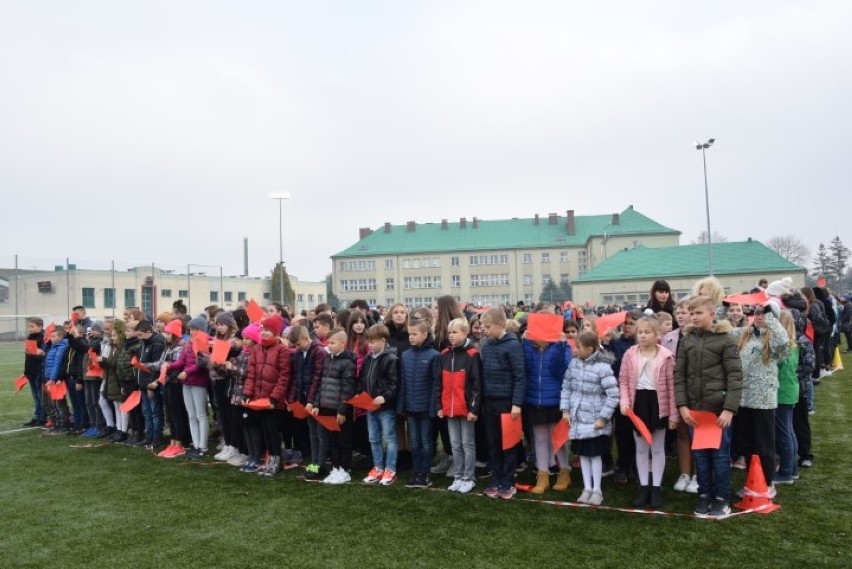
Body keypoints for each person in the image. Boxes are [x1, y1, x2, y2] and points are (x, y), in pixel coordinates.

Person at [675, 296, 742, 517]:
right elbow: (679, 375)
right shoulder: (687, 340)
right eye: (691, 313)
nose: (693, 317)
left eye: (698, 313)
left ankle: (722, 499)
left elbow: (735, 375)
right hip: (695, 413)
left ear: (712, 314)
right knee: (701, 458)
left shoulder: (725, 339)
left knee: (721, 457)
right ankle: (704, 496)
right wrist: (683, 406)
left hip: (718, 413)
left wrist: (729, 408)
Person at [730, 301, 789, 495]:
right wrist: (724, 307)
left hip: (764, 401)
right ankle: (752, 481)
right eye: (757, 312)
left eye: (763, 313)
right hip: (744, 399)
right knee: (747, 443)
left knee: (764, 444)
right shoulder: (746, 334)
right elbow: (723, 331)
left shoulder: (772, 338)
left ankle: (768, 483)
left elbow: (783, 341)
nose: (759, 315)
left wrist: (770, 315)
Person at [618, 317, 677, 508]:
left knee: (658, 447)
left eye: (647, 332)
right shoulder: (630, 354)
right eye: (640, 332)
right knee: (641, 447)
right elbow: (624, 381)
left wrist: (673, 414)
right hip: (638, 404)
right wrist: (625, 402)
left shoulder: (666, 356)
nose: (642, 335)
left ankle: (656, 487)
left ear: (657, 335)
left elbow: (671, 387)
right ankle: (643, 486)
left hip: (658, 404)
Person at [561, 331, 619, 505]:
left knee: (595, 456)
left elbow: (613, 395)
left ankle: (597, 490)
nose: (575, 350)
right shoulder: (573, 364)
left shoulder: (603, 368)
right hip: (578, 420)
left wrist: (603, 418)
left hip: (594, 422)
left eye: (578, 347)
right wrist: (565, 410)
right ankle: (587, 488)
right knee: (583, 455)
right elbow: (567, 387)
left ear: (590, 348)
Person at [479, 307, 526, 500]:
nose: (484, 330)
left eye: (488, 326)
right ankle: (496, 478)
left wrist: (516, 403)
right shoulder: (487, 345)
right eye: (483, 326)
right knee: (493, 443)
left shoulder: (513, 345)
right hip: (489, 402)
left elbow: (520, 376)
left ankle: (508, 480)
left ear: (500, 325)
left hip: (506, 403)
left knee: (508, 444)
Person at [522, 317, 572, 494]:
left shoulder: (562, 347)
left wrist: (561, 346)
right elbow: (526, 367)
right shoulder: (530, 348)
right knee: (540, 439)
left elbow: (560, 370)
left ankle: (564, 472)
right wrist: (526, 344)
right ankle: (542, 477)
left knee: (558, 439)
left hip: (555, 401)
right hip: (535, 400)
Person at [436, 318, 481, 494]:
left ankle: (469, 477)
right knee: (455, 444)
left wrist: (473, 409)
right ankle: (458, 476)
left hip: (466, 408)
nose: (451, 336)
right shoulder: (444, 354)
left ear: (465, 333)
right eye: (449, 332)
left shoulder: (472, 355)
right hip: (449, 408)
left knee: (467, 443)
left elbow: (477, 384)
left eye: (455, 332)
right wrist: (439, 405)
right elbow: (438, 383)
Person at [241, 314, 289, 475]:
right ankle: (270, 459)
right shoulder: (257, 349)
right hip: (258, 398)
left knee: (272, 430)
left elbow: (284, 376)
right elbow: (251, 373)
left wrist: (274, 398)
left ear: (275, 332)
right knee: (264, 430)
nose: (264, 333)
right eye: (263, 330)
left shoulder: (282, 350)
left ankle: (276, 460)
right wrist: (248, 393)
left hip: (273, 400)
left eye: (268, 330)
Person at [398, 319, 441, 488]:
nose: (411, 337)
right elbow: (403, 382)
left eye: (415, 334)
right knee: (414, 442)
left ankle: (426, 473)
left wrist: (433, 407)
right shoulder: (405, 355)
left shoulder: (434, 356)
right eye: (410, 334)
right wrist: (401, 405)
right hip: (410, 407)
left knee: (426, 442)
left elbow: (436, 384)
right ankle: (416, 471)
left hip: (426, 408)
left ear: (425, 334)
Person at [661, 299, 697, 494]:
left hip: (697, 390)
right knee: (682, 433)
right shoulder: (668, 337)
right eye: (679, 312)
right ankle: (684, 473)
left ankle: (698, 475)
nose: (682, 315)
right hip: (676, 389)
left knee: (698, 434)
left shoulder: (700, 335)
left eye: (686, 312)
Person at [311, 330, 357, 484]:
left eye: (332, 343)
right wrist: (317, 404)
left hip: (339, 410)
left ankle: (345, 469)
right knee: (332, 440)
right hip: (326, 407)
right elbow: (320, 384)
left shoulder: (348, 362)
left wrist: (342, 410)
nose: (328, 346)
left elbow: (348, 389)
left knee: (343, 440)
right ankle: (336, 468)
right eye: (328, 343)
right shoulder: (327, 360)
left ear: (342, 343)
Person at [602, 309, 641, 483]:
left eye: (631, 324)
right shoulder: (616, 343)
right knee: (622, 432)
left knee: (639, 432)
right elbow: (607, 360)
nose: (626, 327)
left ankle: (638, 466)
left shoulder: (643, 344)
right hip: (620, 394)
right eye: (625, 323)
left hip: (640, 394)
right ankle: (624, 466)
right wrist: (607, 343)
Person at [359, 324, 400, 486]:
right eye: (368, 340)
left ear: (382, 341)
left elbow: (394, 384)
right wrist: (359, 393)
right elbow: (363, 379)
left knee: (389, 438)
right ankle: (378, 467)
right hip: (370, 406)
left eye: (373, 341)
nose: (369, 344)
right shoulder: (369, 358)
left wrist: (384, 397)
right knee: (373, 438)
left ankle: (390, 469)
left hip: (385, 408)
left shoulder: (391, 359)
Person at [287, 325, 328, 481]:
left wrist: (311, 401)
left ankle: (320, 465)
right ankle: (314, 464)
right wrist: (292, 400)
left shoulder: (318, 352)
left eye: (298, 344)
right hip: (306, 400)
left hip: (317, 401)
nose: (297, 348)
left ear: (306, 339)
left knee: (321, 434)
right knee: (312, 433)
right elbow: (296, 378)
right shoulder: (299, 354)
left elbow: (318, 378)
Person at [169, 315, 212, 459]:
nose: (192, 332)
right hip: (186, 382)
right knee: (191, 415)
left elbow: (201, 364)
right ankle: (196, 443)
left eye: (195, 329)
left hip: (198, 381)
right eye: (191, 329)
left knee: (200, 415)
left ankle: (203, 446)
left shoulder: (205, 343)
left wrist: (186, 372)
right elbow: (182, 361)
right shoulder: (187, 343)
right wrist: (169, 365)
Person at [154, 319, 191, 458]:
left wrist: (164, 377)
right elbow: (161, 363)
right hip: (167, 383)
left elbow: (177, 366)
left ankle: (180, 443)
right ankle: (173, 441)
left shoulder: (180, 347)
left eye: (169, 333)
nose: (166, 336)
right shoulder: (167, 347)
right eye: (166, 333)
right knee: (169, 413)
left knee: (177, 415)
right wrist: (146, 365)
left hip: (175, 384)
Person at [774, 310, 800, 485]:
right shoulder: (793, 344)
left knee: (783, 433)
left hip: (782, 393)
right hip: (790, 391)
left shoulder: (783, 347)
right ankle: (792, 468)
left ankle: (785, 472)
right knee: (789, 431)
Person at [136, 320, 166, 449]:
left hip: (151, 384)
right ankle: (148, 436)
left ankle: (156, 437)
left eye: (141, 335)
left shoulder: (157, 343)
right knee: (147, 412)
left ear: (148, 332)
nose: (139, 338)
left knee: (155, 412)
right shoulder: (145, 342)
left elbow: (156, 367)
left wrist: (150, 385)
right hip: (143, 382)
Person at [23, 317, 46, 427]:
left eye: (32, 326)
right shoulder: (30, 337)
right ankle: (38, 416)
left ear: (40, 327)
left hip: (39, 370)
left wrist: (40, 352)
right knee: (35, 396)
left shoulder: (44, 337)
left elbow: (44, 352)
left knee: (40, 395)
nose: (30, 328)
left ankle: (43, 417)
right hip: (31, 370)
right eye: (29, 326)